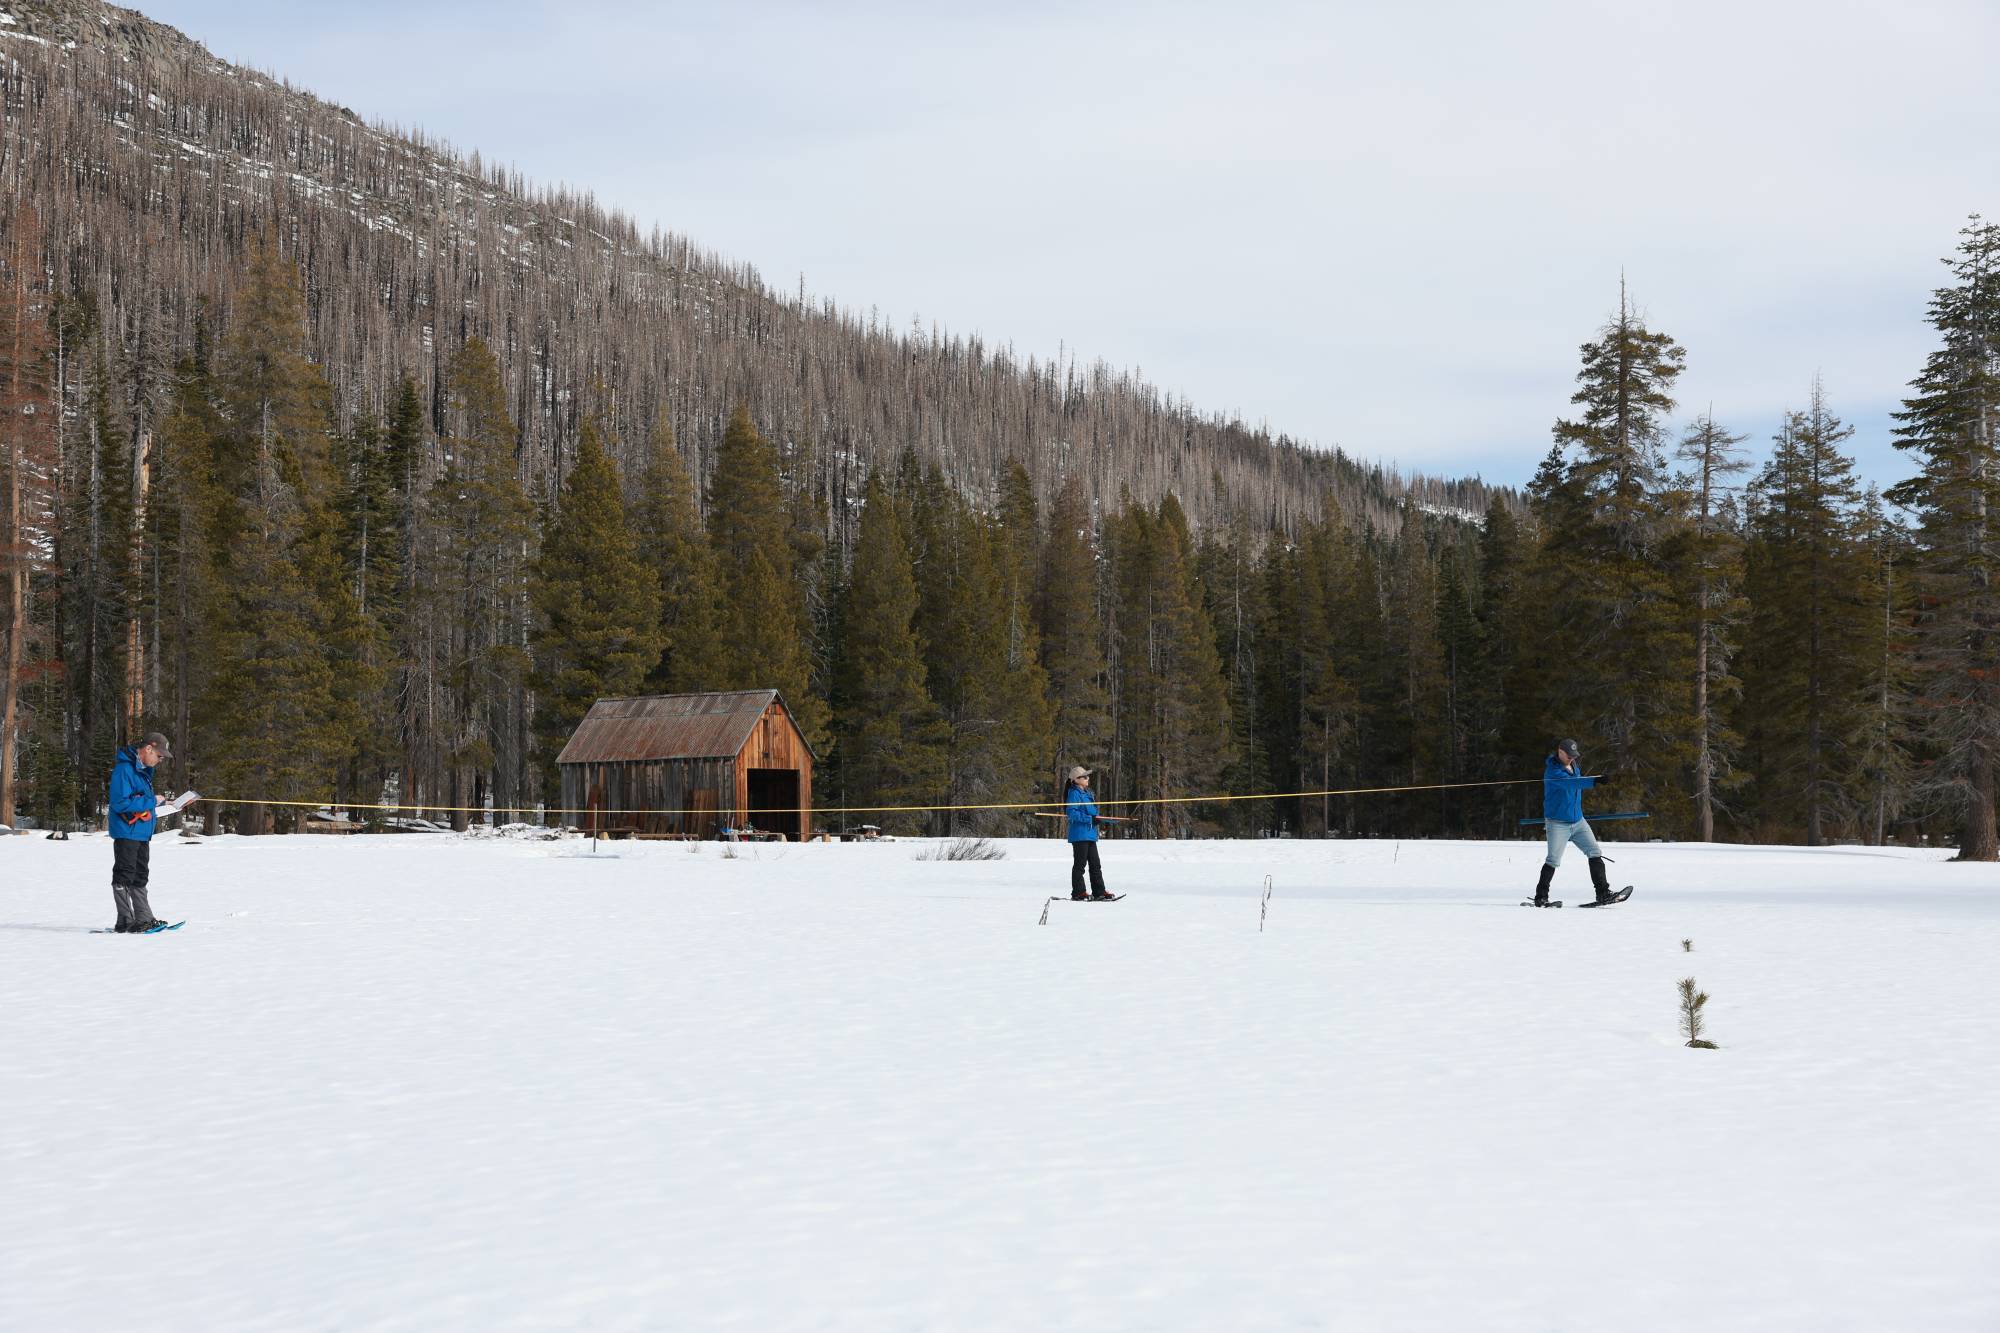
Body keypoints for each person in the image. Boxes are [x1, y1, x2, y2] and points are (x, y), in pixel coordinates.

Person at [107, 732, 186, 933]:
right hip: (127, 831)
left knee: (141, 874)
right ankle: (125, 921)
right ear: (148, 749)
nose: (160, 760)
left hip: (141, 831)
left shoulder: (143, 771)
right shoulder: (124, 770)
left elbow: (140, 799)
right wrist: (152, 801)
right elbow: (120, 803)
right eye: (159, 756)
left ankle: (144, 918)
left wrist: (165, 803)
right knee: (125, 874)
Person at [1532, 737, 1612, 907]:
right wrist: (1595, 780)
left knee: (1594, 852)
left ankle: (1603, 893)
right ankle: (1541, 897)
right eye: (1569, 755)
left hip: (1578, 821)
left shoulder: (1574, 766)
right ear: (1560, 752)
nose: (1572, 758)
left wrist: (1594, 779)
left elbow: (1575, 783)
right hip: (1558, 823)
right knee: (1553, 860)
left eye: (1574, 756)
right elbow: (1572, 784)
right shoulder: (1553, 771)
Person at [1063, 765, 1113, 901]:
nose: (1087, 778)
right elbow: (1072, 813)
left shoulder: (1087, 794)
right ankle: (1078, 892)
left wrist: (1097, 819)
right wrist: (1089, 819)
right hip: (1080, 835)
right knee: (1080, 865)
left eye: (1088, 776)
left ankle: (1099, 892)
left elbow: (1092, 813)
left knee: (1095, 864)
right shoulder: (1074, 794)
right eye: (1084, 776)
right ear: (1076, 780)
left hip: (1090, 834)